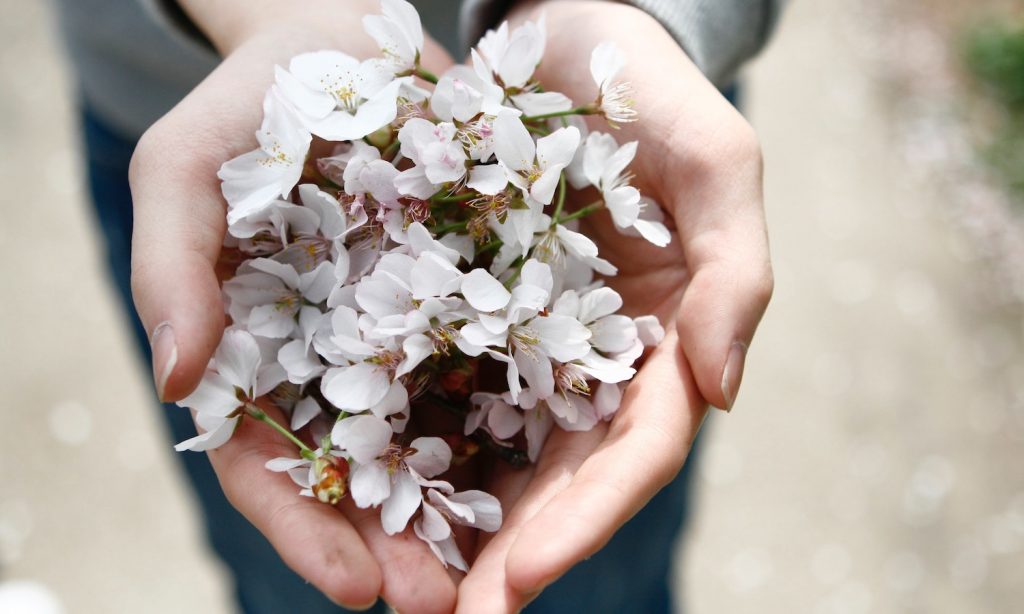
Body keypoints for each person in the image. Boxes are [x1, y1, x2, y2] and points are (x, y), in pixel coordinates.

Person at [53, 0, 779, 611]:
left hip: (614, 94)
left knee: (601, 579)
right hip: (187, 99)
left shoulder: (545, 195)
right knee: (293, 578)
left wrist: (630, 12)